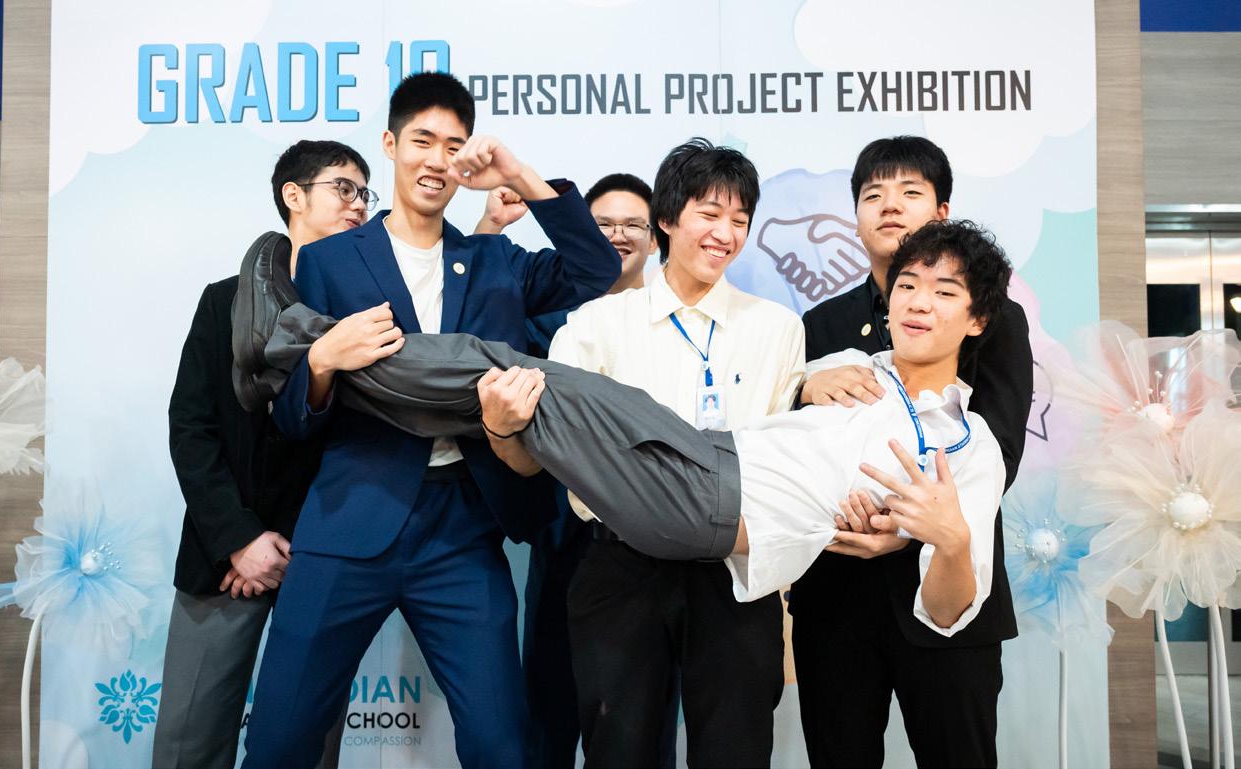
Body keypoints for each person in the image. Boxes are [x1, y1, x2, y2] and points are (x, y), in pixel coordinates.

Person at [237, 217, 1010, 640]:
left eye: (943, 292)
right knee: (500, 382)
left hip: (712, 507)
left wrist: (947, 539)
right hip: (701, 455)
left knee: (509, 372)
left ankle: (292, 339)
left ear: (977, 319)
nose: (917, 301)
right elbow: (792, 400)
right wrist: (811, 379)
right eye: (907, 284)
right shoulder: (852, 363)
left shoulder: (967, 444)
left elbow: (948, 610)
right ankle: (299, 357)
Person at [239, 72, 619, 769]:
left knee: (501, 744)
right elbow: (288, 417)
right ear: (390, 145)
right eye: (422, 140)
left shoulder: (496, 261)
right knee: (279, 738)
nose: (437, 159)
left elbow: (596, 269)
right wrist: (321, 360)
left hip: (461, 530)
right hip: (348, 519)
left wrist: (519, 174)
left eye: (453, 145)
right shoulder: (326, 261)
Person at [790, 136, 1032, 767]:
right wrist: (803, 386)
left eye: (910, 192)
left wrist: (907, 530)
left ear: (942, 211)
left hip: (948, 580)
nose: (890, 206)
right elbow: (793, 441)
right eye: (874, 194)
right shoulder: (820, 324)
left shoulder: (995, 316)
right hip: (836, 589)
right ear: (855, 216)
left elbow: (999, 450)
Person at [154, 139, 376, 769]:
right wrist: (239, 540)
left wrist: (304, 547)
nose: (359, 204)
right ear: (293, 195)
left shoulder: (368, 314)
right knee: (190, 740)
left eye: (365, 192)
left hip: (324, 555)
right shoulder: (224, 301)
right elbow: (191, 427)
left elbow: (364, 443)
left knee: (307, 744)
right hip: (225, 556)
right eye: (344, 187)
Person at [474, 172, 662, 768]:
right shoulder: (545, 320)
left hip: (654, 538)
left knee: (645, 716)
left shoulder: (676, 323)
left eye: (632, 225)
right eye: (603, 225)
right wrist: (488, 226)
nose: (618, 236)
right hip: (565, 531)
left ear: (655, 237)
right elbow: (472, 320)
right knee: (550, 698)